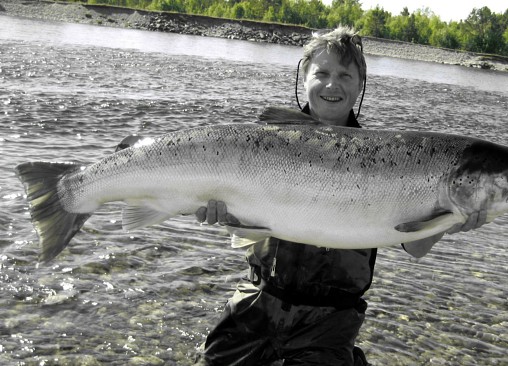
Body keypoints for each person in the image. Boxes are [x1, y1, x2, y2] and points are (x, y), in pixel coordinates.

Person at [193, 26, 486, 365]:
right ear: (304, 77)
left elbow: (416, 246)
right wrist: (220, 215)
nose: (332, 85)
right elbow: (241, 224)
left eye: (345, 75)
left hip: (330, 321)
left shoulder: (389, 159)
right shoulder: (262, 143)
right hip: (257, 299)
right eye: (322, 73)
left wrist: (451, 219)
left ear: (360, 85)